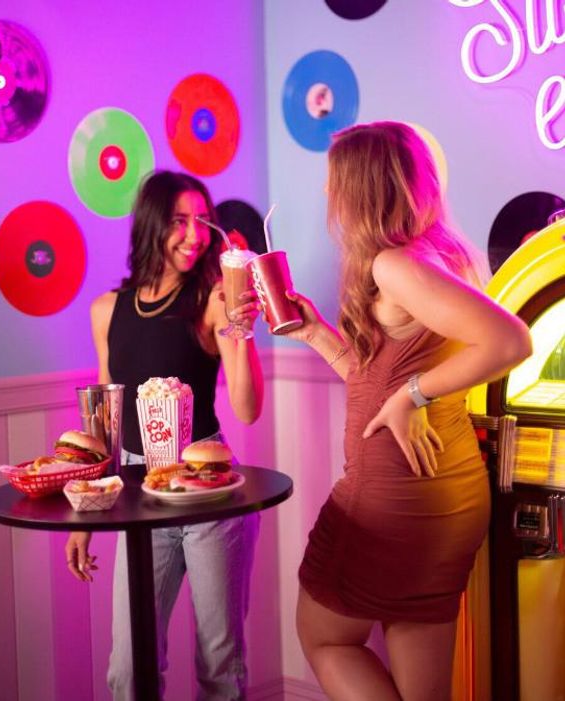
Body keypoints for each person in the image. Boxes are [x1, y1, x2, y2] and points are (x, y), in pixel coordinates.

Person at [286, 121, 532, 701]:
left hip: (395, 500)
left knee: (324, 638)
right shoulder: (440, 255)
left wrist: (411, 395)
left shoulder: (394, 265)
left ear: (362, 189)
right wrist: (319, 335)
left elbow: (511, 343)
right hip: (442, 495)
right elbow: (378, 384)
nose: (328, 197)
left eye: (334, 183)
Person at [64, 170, 265, 700]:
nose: (194, 234)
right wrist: (86, 509)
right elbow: (103, 425)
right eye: (180, 220)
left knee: (219, 667)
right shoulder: (106, 311)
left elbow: (246, 408)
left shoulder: (213, 300)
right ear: (152, 224)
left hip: (211, 496)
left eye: (203, 220)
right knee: (129, 669)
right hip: (137, 499)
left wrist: (240, 331)